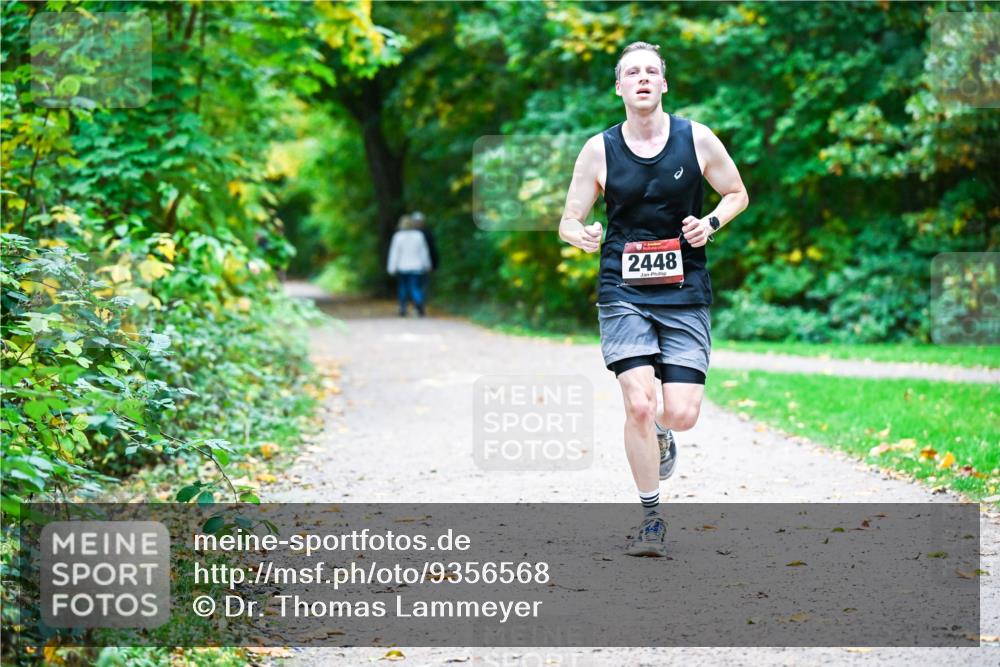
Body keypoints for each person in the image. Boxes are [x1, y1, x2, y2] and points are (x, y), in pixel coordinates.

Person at [558, 41, 749, 556]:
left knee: (680, 412)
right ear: (619, 87)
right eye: (631, 73)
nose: (642, 79)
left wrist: (709, 224)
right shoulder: (599, 149)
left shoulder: (697, 139)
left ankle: (667, 431)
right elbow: (569, 218)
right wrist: (581, 233)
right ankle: (651, 518)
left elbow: (737, 193)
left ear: (663, 83)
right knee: (638, 403)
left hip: (685, 290)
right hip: (623, 290)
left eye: (651, 71)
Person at [387, 214, 432, 317]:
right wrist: (427, 265)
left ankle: (403, 307)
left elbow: (394, 254)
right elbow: (424, 252)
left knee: (403, 288)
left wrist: (391, 268)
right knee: (415, 288)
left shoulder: (398, 237)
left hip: (402, 267)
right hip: (417, 267)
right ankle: (419, 305)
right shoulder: (419, 235)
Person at [409, 211, 439, 295]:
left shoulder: (427, 234)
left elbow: (432, 250)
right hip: (411, 264)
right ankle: (418, 302)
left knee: (421, 285)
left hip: (424, 264)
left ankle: (419, 303)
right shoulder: (408, 234)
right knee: (415, 285)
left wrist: (434, 264)